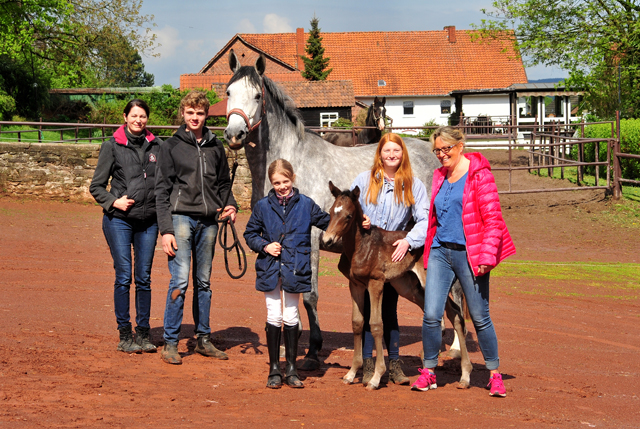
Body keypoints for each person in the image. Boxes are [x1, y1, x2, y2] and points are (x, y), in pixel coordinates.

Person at [411, 126, 515, 397]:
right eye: (437, 150)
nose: (442, 155)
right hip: (440, 252)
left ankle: (494, 374)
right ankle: (429, 372)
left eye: (447, 149)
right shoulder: (439, 176)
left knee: (480, 316)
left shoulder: (480, 175)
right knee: (431, 315)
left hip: (471, 255)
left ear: (460, 145)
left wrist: (487, 256)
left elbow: (493, 219)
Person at [155, 91, 238, 365]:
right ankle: (170, 342)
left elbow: (224, 183)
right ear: (183, 114)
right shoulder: (170, 146)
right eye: (190, 112)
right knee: (180, 280)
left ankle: (203, 339)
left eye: (199, 113)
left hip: (209, 220)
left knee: (204, 282)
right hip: (180, 218)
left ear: (206, 116)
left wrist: (231, 205)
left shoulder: (215, 147)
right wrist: (165, 229)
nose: (194, 117)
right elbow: (162, 189)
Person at [350, 132, 429, 386]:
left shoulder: (413, 185)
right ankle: (368, 364)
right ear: (380, 154)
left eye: (396, 151)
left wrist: (409, 241)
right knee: (363, 311)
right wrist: (361, 220)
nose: (392, 155)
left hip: (391, 255)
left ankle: (394, 364)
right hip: (365, 257)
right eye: (387, 151)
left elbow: (425, 220)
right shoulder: (364, 180)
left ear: (402, 154)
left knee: (389, 311)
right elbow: (351, 209)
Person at [243, 159, 330, 389]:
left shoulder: (307, 204)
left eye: (286, 181)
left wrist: (359, 219)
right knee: (274, 315)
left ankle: (291, 368)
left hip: (296, 267)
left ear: (293, 178)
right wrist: (265, 246)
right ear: (271, 183)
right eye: (276, 182)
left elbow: (329, 222)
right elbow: (250, 233)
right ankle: (274, 368)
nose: (282, 186)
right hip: (270, 267)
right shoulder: (262, 206)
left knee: (291, 316)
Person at [89, 99, 163, 353]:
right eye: (134, 115)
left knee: (144, 278)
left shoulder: (158, 146)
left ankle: (143, 333)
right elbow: (96, 186)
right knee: (124, 276)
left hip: (148, 221)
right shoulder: (111, 146)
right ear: (125, 117)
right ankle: (124, 334)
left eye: (142, 116)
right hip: (118, 220)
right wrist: (113, 202)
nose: (139, 120)